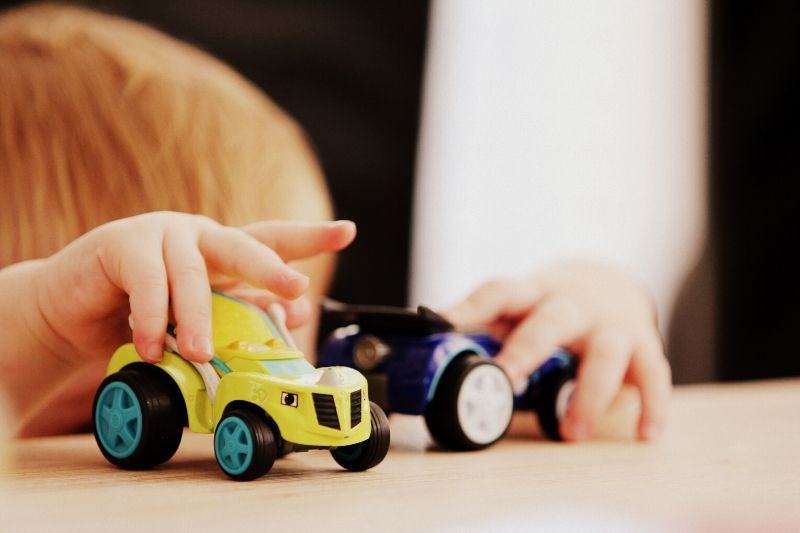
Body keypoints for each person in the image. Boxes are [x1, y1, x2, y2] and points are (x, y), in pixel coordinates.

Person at [0, 3, 669, 443]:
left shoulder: (289, 368)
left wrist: (590, 304)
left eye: (280, 316)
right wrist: (39, 322)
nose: (281, 333)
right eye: (80, 428)